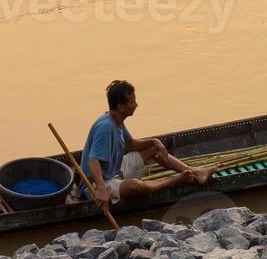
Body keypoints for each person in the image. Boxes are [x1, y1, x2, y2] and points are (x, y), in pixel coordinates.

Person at [79, 80, 211, 206]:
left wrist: (154, 141)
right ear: (120, 107)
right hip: (95, 185)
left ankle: (195, 172)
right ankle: (175, 179)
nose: (136, 105)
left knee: (153, 149)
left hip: (114, 171)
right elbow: (93, 161)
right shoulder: (105, 127)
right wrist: (101, 189)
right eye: (132, 102)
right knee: (135, 186)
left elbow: (130, 145)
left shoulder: (117, 121)